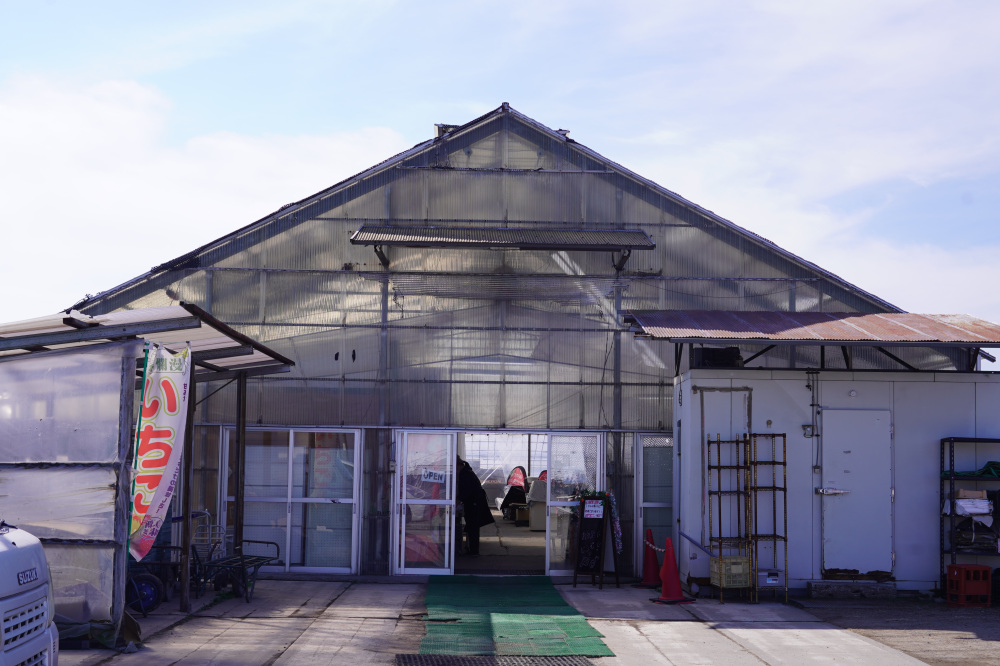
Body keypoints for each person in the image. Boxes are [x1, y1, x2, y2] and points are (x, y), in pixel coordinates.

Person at [457, 456, 495, 555]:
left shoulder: (465, 474)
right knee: (472, 527)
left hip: (474, 504)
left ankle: (473, 551)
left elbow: (466, 491)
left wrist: (459, 499)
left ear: (458, 465)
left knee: (472, 527)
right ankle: (473, 549)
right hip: (474, 503)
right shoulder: (467, 472)